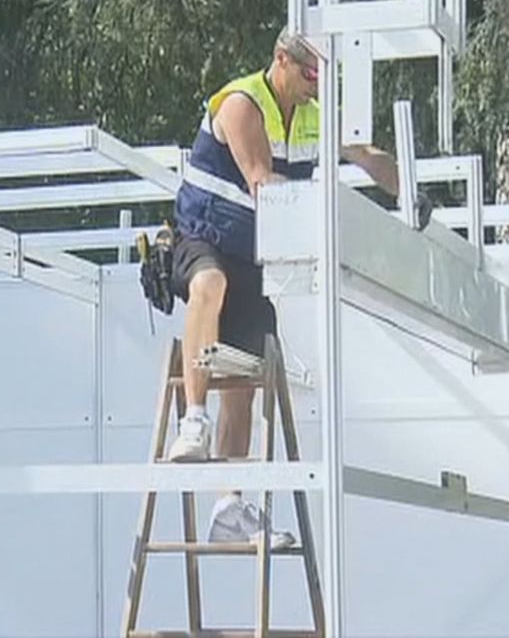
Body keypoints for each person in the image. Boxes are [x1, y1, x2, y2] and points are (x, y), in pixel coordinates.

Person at [165, 27, 429, 547]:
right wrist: (335, 209)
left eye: (322, 78)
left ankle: (228, 507)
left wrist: (410, 192)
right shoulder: (242, 104)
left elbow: (367, 154)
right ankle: (192, 421)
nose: (315, 86)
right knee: (209, 285)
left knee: (243, 380)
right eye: (310, 75)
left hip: (252, 257)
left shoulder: (310, 115)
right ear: (280, 59)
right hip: (202, 238)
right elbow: (262, 182)